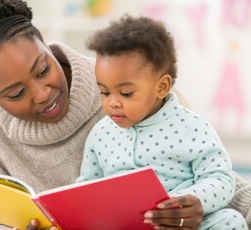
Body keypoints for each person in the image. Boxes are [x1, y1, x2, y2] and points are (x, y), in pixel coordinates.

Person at [0, 0, 251, 230]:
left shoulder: (132, 84)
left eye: (43, 69)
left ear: (44, 43)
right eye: (16, 93)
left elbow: (224, 182)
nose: (43, 93)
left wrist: (198, 205)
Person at [76, 14, 247, 229]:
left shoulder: (191, 127)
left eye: (126, 93)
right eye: (104, 92)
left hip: (183, 224)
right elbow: (87, 187)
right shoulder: (100, 134)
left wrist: (192, 200)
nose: (112, 103)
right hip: (126, 225)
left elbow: (220, 178)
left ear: (162, 87)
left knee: (231, 220)